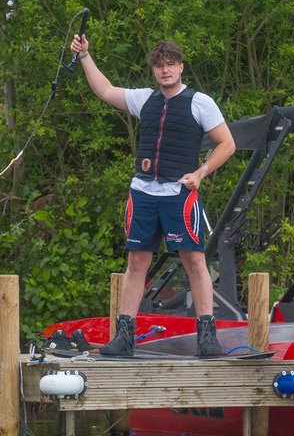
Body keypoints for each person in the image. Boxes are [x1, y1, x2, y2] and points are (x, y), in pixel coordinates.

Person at [70, 35, 236, 356]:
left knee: (194, 261)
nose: (165, 71)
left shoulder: (200, 102)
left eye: (170, 64)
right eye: (159, 66)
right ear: (154, 71)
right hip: (143, 192)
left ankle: (207, 337)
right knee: (136, 262)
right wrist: (85, 56)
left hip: (179, 193)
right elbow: (105, 90)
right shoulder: (144, 99)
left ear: (181, 67)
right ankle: (124, 337)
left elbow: (226, 143)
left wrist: (201, 173)